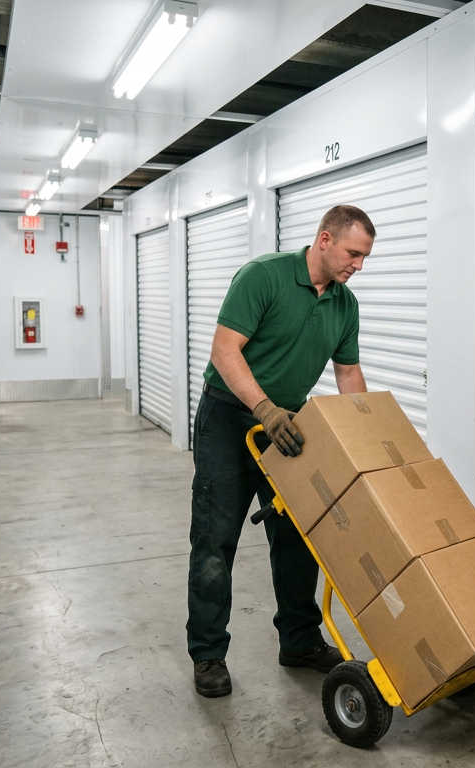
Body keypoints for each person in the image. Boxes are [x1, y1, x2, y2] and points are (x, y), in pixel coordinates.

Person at [186, 205, 374, 698]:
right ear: (325, 239)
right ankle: (208, 654)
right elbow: (224, 351)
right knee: (215, 538)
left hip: (288, 427)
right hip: (228, 420)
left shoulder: (344, 305)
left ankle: (299, 641)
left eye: (365, 257)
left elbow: (349, 375)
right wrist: (264, 409)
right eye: (354, 253)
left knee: (298, 538)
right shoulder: (263, 277)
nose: (359, 264)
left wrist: (366, 435)